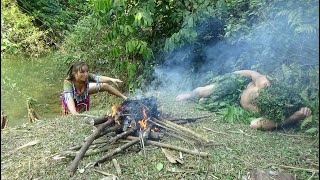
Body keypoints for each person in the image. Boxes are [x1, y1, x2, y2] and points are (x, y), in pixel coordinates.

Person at [176, 70, 312, 130]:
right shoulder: (264, 83)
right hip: (238, 86)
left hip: (235, 104)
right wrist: (233, 75)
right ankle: (189, 94)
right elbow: (252, 73)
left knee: (205, 99)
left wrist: (294, 117)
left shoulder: (275, 112)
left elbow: (255, 124)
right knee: (202, 91)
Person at [61, 61, 127, 115]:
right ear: (74, 73)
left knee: (105, 85)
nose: (86, 74)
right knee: (73, 115)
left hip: (84, 93)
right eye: (82, 72)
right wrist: (74, 113)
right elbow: (69, 98)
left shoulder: (87, 76)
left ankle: (125, 98)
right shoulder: (68, 82)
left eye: (87, 71)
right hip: (72, 98)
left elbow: (98, 78)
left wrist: (111, 79)